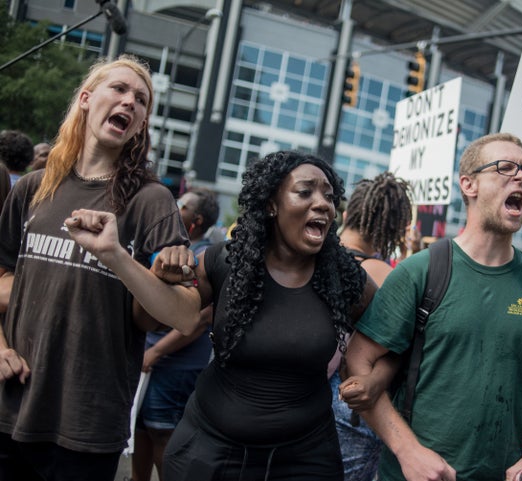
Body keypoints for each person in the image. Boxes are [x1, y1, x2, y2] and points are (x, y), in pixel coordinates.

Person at [65, 150, 375, 480]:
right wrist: (116, 256)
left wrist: (372, 376)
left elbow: (390, 334)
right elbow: (175, 317)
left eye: (329, 196)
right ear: (271, 203)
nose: (323, 203)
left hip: (304, 459)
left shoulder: (343, 276)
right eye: (305, 191)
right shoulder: (227, 261)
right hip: (211, 453)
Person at [0, 55, 189, 481]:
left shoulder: (151, 200)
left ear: (141, 124)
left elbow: (180, 314)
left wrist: (121, 258)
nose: (130, 102)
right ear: (86, 99)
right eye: (119, 90)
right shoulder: (34, 185)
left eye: (141, 100)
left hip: (87, 425)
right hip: (9, 409)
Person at [343, 132, 522, 481]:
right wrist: (408, 451)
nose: (521, 177)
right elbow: (357, 360)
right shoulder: (420, 271)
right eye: (505, 167)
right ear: (468, 185)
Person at [131, 188, 220, 481]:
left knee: (163, 434)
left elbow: (199, 319)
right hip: (152, 360)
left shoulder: (206, 256)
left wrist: (156, 352)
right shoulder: (171, 247)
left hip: (176, 365)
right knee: (142, 430)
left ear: (196, 219)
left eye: (181, 205)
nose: (174, 208)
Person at [331, 171, 413, 481]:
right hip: (356, 401)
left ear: (348, 212)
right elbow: (398, 346)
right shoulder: (380, 273)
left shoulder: (313, 256)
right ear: (393, 229)